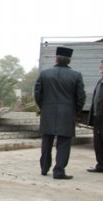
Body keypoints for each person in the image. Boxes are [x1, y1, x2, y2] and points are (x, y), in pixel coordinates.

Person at [34, 46, 86, 179]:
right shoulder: (76, 75)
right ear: (69, 60)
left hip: (48, 112)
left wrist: (43, 107)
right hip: (67, 113)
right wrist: (75, 111)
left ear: (56, 58)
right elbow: (81, 97)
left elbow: (37, 93)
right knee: (64, 143)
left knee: (46, 141)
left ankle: (44, 168)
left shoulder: (44, 74)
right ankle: (59, 171)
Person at [86, 59, 103, 173]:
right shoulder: (100, 81)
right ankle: (100, 165)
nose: (100, 70)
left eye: (102, 68)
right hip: (98, 118)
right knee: (98, 142)